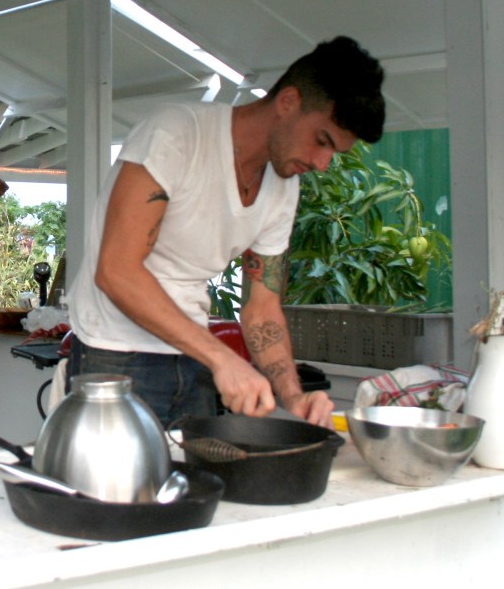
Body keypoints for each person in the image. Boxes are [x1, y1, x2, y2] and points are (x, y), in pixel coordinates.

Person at [66, 37, 385, 429]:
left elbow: (262, 307)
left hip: (194, 357)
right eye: (322, 141)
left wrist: (293, 395)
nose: (322, 163)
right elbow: (116, 271)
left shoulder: (284, 186)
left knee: (194, 485)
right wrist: (223, 359)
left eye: (335, 153)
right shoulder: (177, 135)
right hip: (113, 355)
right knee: (116, 489)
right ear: (288, 102)